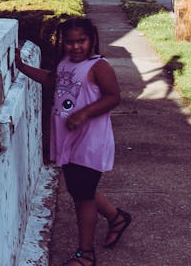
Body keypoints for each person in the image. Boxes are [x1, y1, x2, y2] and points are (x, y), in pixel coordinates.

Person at [15, 17, 131, 266]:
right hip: (69, 140)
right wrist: (22, 67)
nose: (76, 47)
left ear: (92, 41)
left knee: (82, 197)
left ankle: (86, 255)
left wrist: (84, 113)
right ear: (62, 43)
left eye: (82, 41)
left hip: (90, 141)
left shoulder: (99, 66)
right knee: (80, 189)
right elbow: (51, 80)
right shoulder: (65, 63)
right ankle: (117, 217)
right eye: (70, 42)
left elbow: (113, 97)